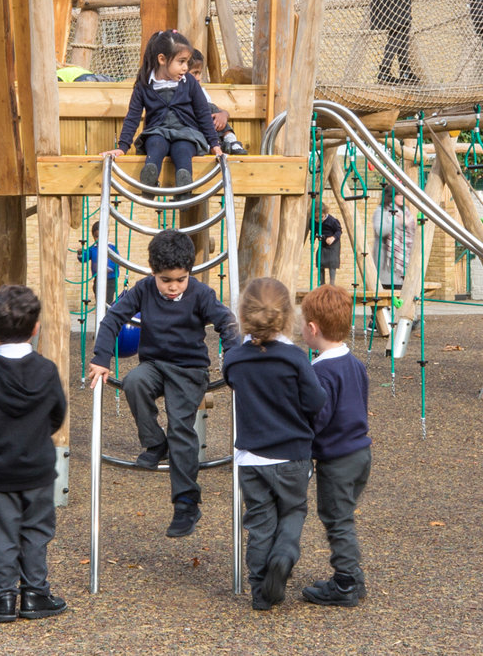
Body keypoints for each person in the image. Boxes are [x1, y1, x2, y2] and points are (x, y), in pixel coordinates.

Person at [87, 229, 243, 538]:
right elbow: (112, 320)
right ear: (153, 272)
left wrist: (233, 358)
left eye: (179, 280)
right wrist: (102, 358)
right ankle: (156, 444)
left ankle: (186, 502)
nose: (173, 287)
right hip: (155, 365)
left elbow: (227, 322)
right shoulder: (143, 289)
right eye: (165, 280)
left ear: (189, 273)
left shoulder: (201, 293)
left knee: (181, 425)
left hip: (189, 369)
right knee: (133, 381)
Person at [222, 277, 326, 610]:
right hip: (292, 454)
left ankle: (260, 591)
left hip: (251, 458)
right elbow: (316, 400)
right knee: (294, 510)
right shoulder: (294, 358)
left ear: (243, 315)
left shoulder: (235, 359)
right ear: (286, 317)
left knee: (260, 522)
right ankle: (284, 555)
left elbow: (232, 381)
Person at [0, 285, 69, 623]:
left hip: (0, 468)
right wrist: (38, 437)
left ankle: (1, 598)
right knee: (36, 531)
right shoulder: (46, 371)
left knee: (2, 533)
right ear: (36, 327)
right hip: (39, 466)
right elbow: (58, 414)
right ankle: (34, 594)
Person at [299, 283, 371, 607]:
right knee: (344, 514)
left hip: (337, 459)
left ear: (312, 329)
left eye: (303, 324)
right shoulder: (355, 363)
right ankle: (353, 577)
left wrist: (301, 437)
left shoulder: (319, 371)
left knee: (337, 518)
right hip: (360, 452)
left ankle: (344, 582)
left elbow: (320, 415)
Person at [103, 29, 222, 188]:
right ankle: (150, 178)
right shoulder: (144, 85)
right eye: (181, 62)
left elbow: (203, 113)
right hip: (157, 131)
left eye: (187, 62)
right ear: (162, 59)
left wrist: (215, 145)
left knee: (183, 149)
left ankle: (184, 183)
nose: (186, 67)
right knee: (155, 144)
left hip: (186, 132)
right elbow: (133, 117)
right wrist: (122, 147)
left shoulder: (189, 83)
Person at [188, 49, 249, 155]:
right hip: (192, 130)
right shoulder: (179, 91)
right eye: (194, 73)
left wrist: (224, 114)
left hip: (207, 129)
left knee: (211, 109)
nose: (198, 78)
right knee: (207, 108)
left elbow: (211, 108)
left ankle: (230, 140)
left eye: (199, 73)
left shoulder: (200, 91)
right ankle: (213, 145)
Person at [373, 194, 414, 291]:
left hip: (402, 261)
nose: (402, 198)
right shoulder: (381, 210)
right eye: (399, 195)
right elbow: (379, 230)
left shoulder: (405, 211)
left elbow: (411, 234)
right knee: (386, 292)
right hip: (386, 260)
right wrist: (397, 222)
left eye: (403, 195)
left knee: (400, 293)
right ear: (391, 196)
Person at [82, 220, 121, 305]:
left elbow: (117, 262)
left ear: (107, 234)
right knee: (99, 301)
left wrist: (109, 268)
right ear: (93, 236)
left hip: (110, 280)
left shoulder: (112, 247)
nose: (99, 239)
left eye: (102, 235)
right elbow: (84, 258)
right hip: (98, 279)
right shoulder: (93, 248)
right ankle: (101, 316)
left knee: (107, 301)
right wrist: (80, 253)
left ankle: (106, 316)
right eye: (96, 236)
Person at [315, 205, 343, 286]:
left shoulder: (332, 221)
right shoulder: (314, 222)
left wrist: (333, 238)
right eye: (316, 218)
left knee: (332, 264)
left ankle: (332, 284)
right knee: (320, 262)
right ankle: (322, 283)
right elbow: (313, 230)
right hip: (323, 243)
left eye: (321, 217)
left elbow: (339, 231)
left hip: (333, 245)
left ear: (325, 213)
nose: (319, 220)